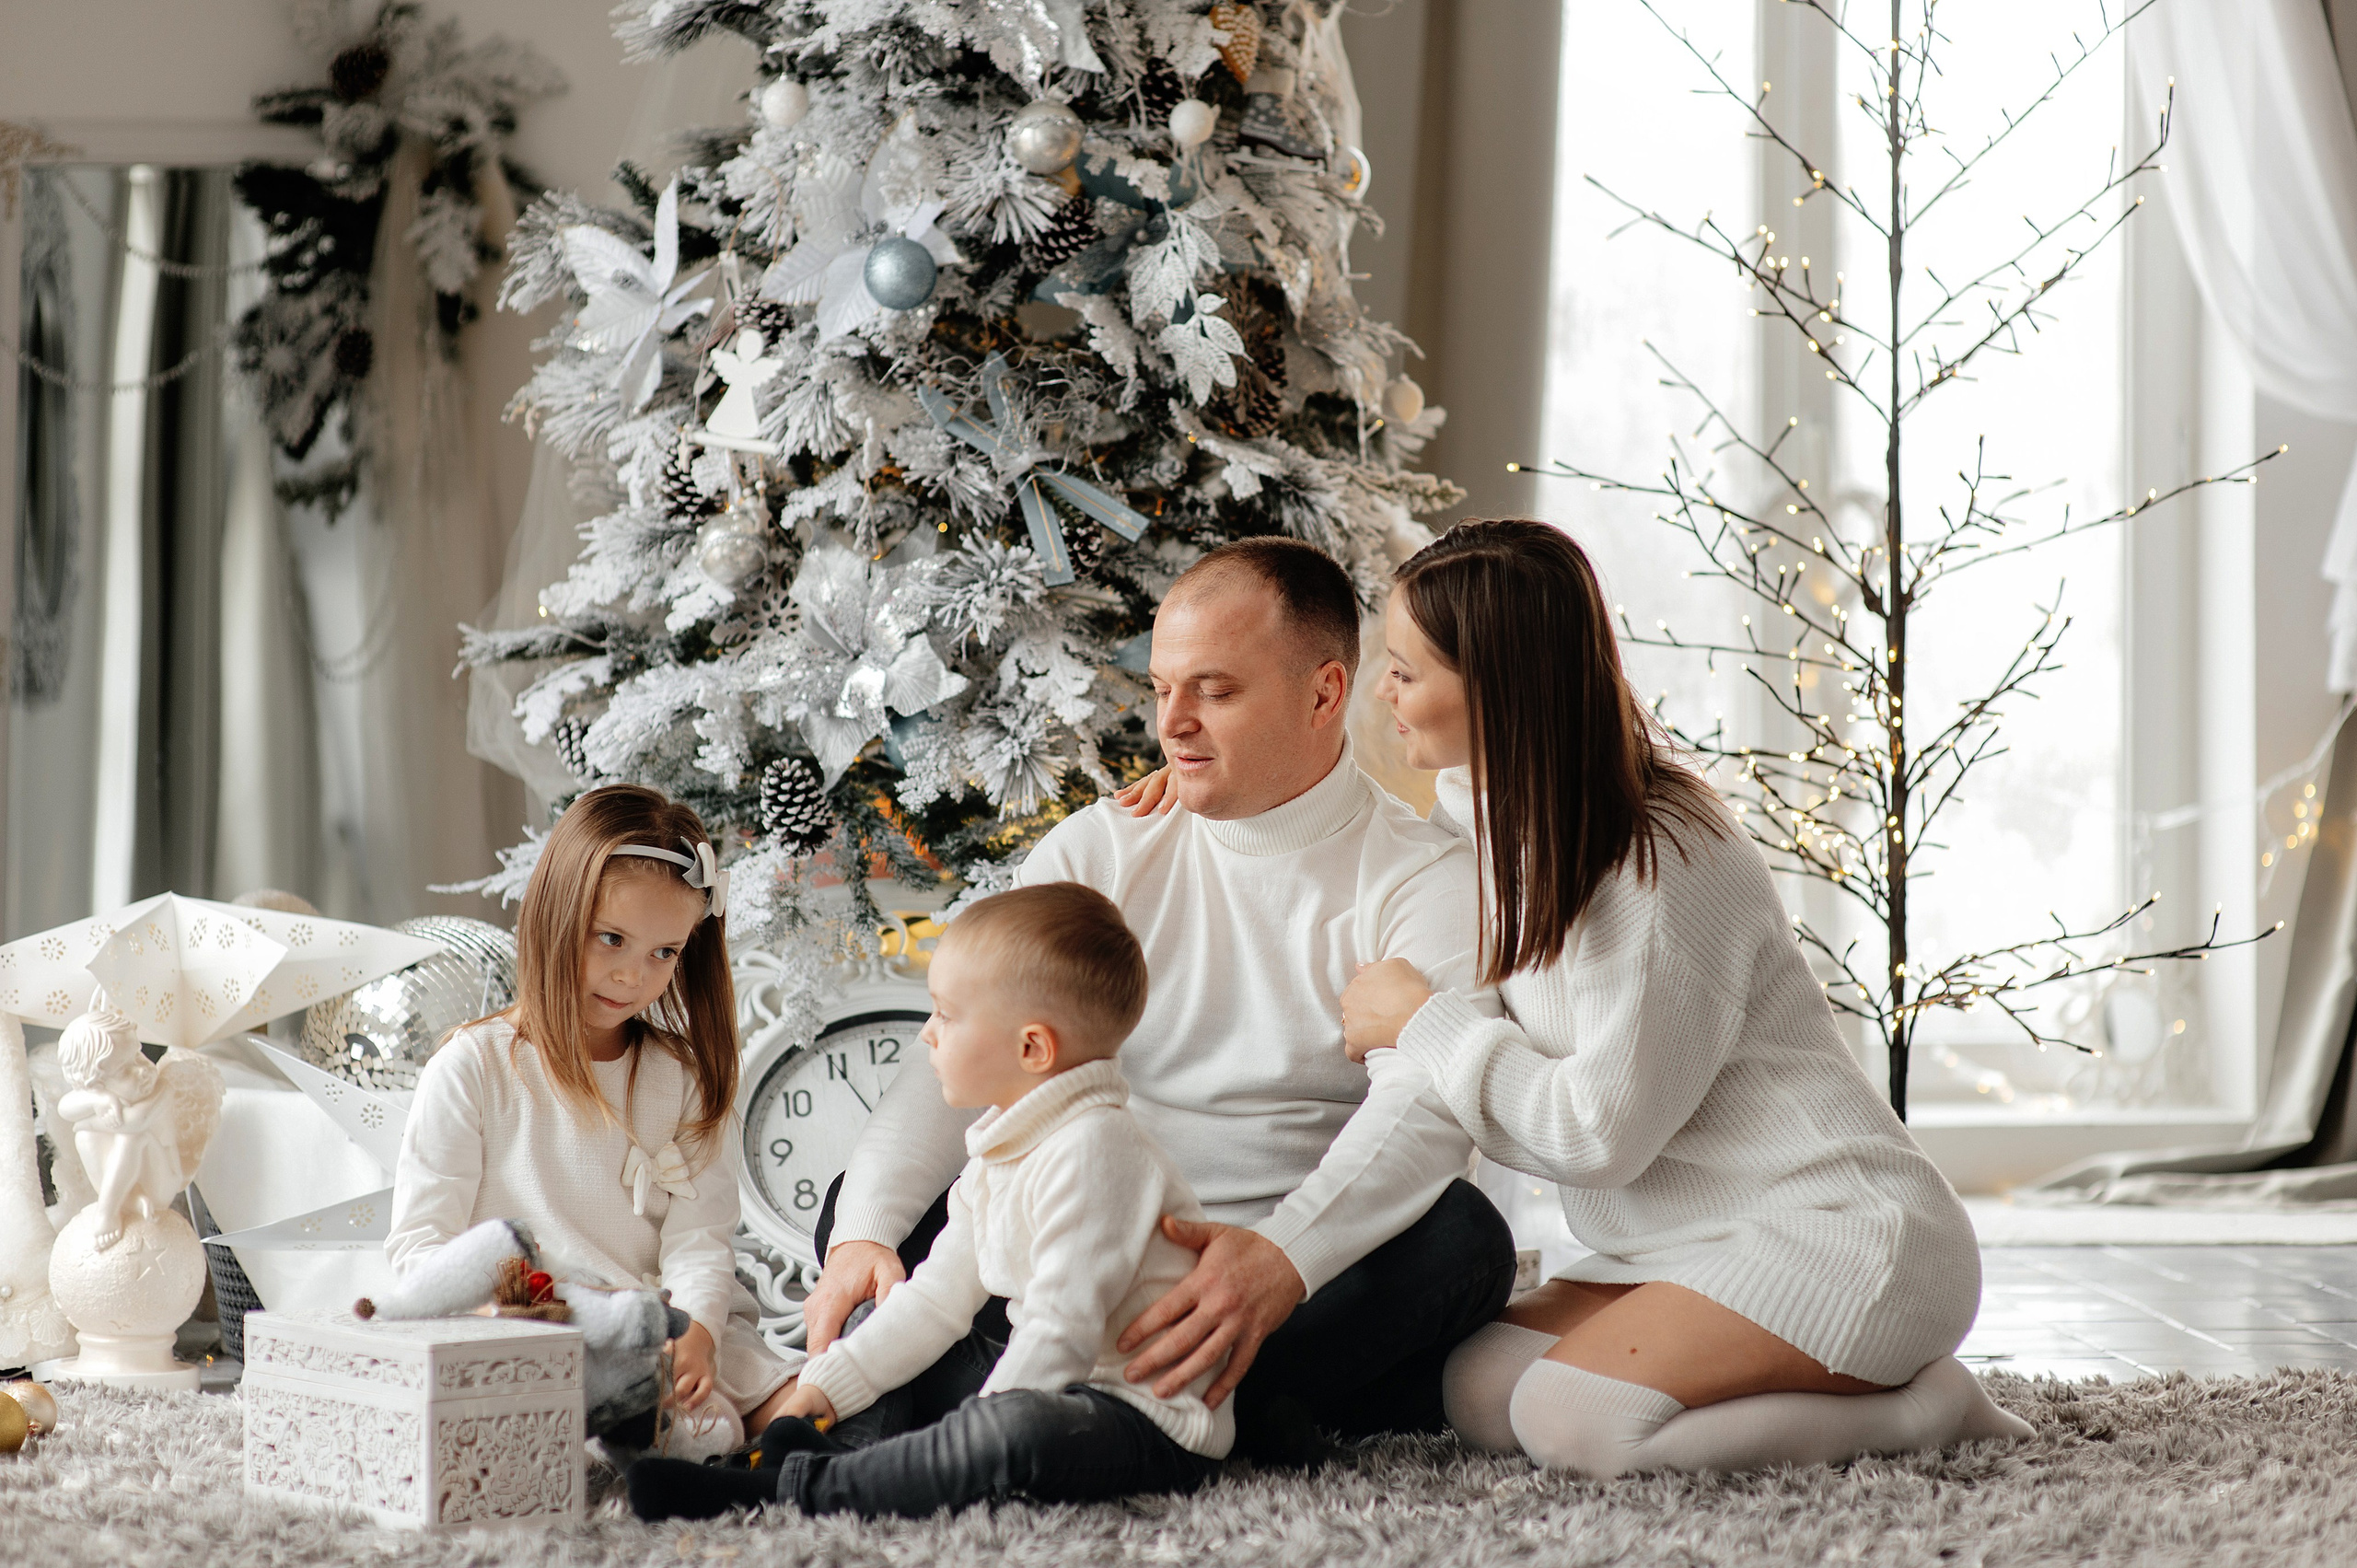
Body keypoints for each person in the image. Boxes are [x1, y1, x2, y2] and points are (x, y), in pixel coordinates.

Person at [1334, 518, 2031, 1476]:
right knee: (1481, 1383)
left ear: (1494, 683)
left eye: (1406, 671)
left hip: (1841, 1233)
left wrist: (1423, 1024)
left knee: (1575, 1421)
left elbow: (1598, 1136)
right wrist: (1196, 784)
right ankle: (1836, 1383)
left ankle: (1924, 1408)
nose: (1384, 691)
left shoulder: (1656, 859)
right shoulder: (1492, 815)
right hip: (1677, 1240)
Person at [805, 537, 1517, 1461]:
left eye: (1214, 691)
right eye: (1161, 689)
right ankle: (1185, 1420)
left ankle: (1033, 1409)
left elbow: (1421, 1111)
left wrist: (1279, 1261)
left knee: (1465, 1242)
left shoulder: (1421, 872)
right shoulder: (1102, 849)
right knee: (862, 1206)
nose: (1171, 723)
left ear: (1324, 692)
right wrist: (863, 1233)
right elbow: (959, 1043)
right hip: (1079, 1247)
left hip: (1278, 1271)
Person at [628, 883, 1232, 1520]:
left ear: (1032, 1048)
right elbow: (938, 1300)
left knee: (1010, 1430)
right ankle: (815, 1448)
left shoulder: (1098, 1147)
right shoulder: (1001, 1149)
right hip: (1043, 1374)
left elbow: (1063, 1329)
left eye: (946, 1015)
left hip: (1139, 1418)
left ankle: (790, 1491)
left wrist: (974, 1431)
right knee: (884, 1306)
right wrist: (820, 1390)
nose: (929, 1037)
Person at [388, 784, 797, 1453]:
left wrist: (695, 1331)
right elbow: (421, 1249)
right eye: (612, 939)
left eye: (664, 953)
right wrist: (524, 1307)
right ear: (557, 914)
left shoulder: (683, 1077)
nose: (633, 976)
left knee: (799, 1405)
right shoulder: (474, 1069)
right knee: (670, 1428)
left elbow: (699, 1239)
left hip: (663, 1321)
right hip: (533, 1329)